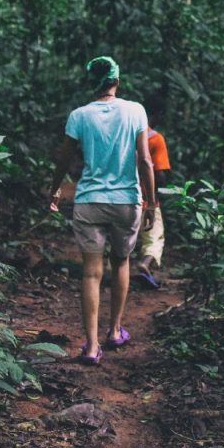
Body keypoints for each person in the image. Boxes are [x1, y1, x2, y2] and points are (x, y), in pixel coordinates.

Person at [46, 56, 158, 364]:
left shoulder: (79, 116)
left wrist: (55, 189)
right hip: (126, 202)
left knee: (92, 273)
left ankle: (92, 347)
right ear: (117, 81)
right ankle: (114, 330)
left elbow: (64, 160)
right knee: (121, 262)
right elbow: (146, 161)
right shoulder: (135, 110)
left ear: (92, 83)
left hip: (90, 201)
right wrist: (152, 202)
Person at [135, 125, 170, 289]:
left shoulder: (124, 136)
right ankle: (146, 262)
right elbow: (160, 174)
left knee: (120, 239)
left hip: (123, 198)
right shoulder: (155, 138)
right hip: (146, 200)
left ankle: (112, 273)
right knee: (154, 238)